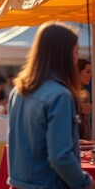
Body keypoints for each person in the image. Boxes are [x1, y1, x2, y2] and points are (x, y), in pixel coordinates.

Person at [8, 22, 94, 188]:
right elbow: (60, 157)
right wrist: (85, 182)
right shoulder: (59, 95)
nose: (77, 57)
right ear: (64, 54)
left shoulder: (17, 92)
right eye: (76, 51)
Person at [78, 58, 92, 141]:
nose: (91, 75)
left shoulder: (86, 93)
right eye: (88, 71)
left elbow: (86, 124)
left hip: (84, 143)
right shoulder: (66, 93)